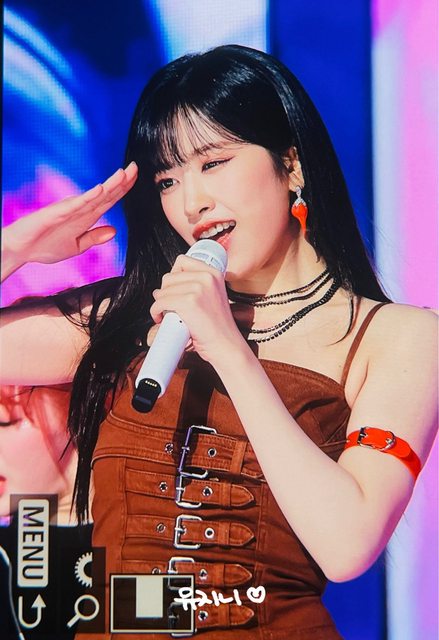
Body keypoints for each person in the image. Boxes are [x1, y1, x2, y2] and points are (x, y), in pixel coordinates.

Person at [1, 45, 437, 639]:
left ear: (292, 164)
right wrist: (13, 250)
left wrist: (228, 348)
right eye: (167, 179)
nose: (191, 202)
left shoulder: (398, 337)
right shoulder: (130, 315)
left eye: (214, 162)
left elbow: (347, 545)